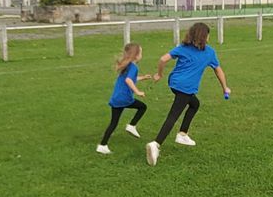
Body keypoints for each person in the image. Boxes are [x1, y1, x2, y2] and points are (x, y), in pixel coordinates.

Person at [145, 22, 230, 166]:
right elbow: (218, 70)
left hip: (174, 84)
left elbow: (163, 59)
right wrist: (225, 87)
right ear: (205, 36)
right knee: (173, 115)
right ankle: (156, 144)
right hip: (185, 87)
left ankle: (183, 134)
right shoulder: (209, 52)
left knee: (195, 104)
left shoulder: (183, 48)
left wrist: (159, 74)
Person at [97, 42, 155, 155]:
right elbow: (128, 80)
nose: (141, 55)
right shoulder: (133, 66)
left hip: (116, 98)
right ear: (136, 55)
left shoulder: (126, 65)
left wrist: (143, 77)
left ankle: (102, 145)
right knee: (142, 107)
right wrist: (137, 91)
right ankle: (131, 126)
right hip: (124, 98)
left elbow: (131, 78)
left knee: (113, 123)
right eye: (141, 53)